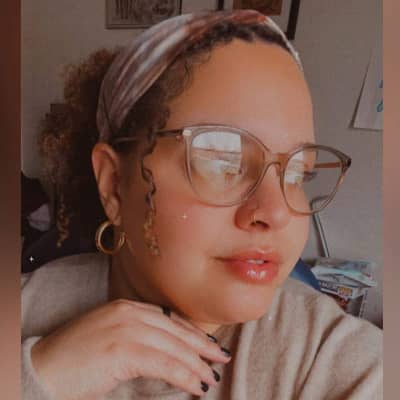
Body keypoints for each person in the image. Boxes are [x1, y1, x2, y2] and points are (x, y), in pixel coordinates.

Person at [22, 9, 382, 400]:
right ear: (114, 185)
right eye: (222, 162)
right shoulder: (23, 309)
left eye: (298, 174)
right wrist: (35, 377)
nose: (277, 212)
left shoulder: (324, 356)